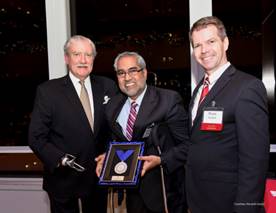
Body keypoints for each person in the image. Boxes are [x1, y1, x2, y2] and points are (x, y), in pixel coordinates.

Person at [187, 16, 270, 213]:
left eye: (211, 41)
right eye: (197, 45)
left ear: (225, 43)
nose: (204, 50)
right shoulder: (199, 90)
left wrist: (245, 209)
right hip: (199, 200)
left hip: (229, 203)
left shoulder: (248, 87)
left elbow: (255, 162)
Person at [28, 35, 118, 213]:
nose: (83, 60)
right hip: (63, 180)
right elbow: (36, 137)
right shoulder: (48, 91)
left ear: (94, 58)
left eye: (88, 54)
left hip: (98, 179)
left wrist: (110, 154)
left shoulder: (108, 86)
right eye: (77, 54)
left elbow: (115, 128)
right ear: (66, 58)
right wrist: (61, 159)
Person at [96, 51, 189, 213]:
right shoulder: (112, 107)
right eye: (121, 72)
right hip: (132, 195)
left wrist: (161, 160)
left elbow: (188, 145)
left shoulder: (168, 100)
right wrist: (109, 156)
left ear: (144, 72)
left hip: (165, 192)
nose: (127, 78)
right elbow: (117, 143)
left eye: (133, 70)